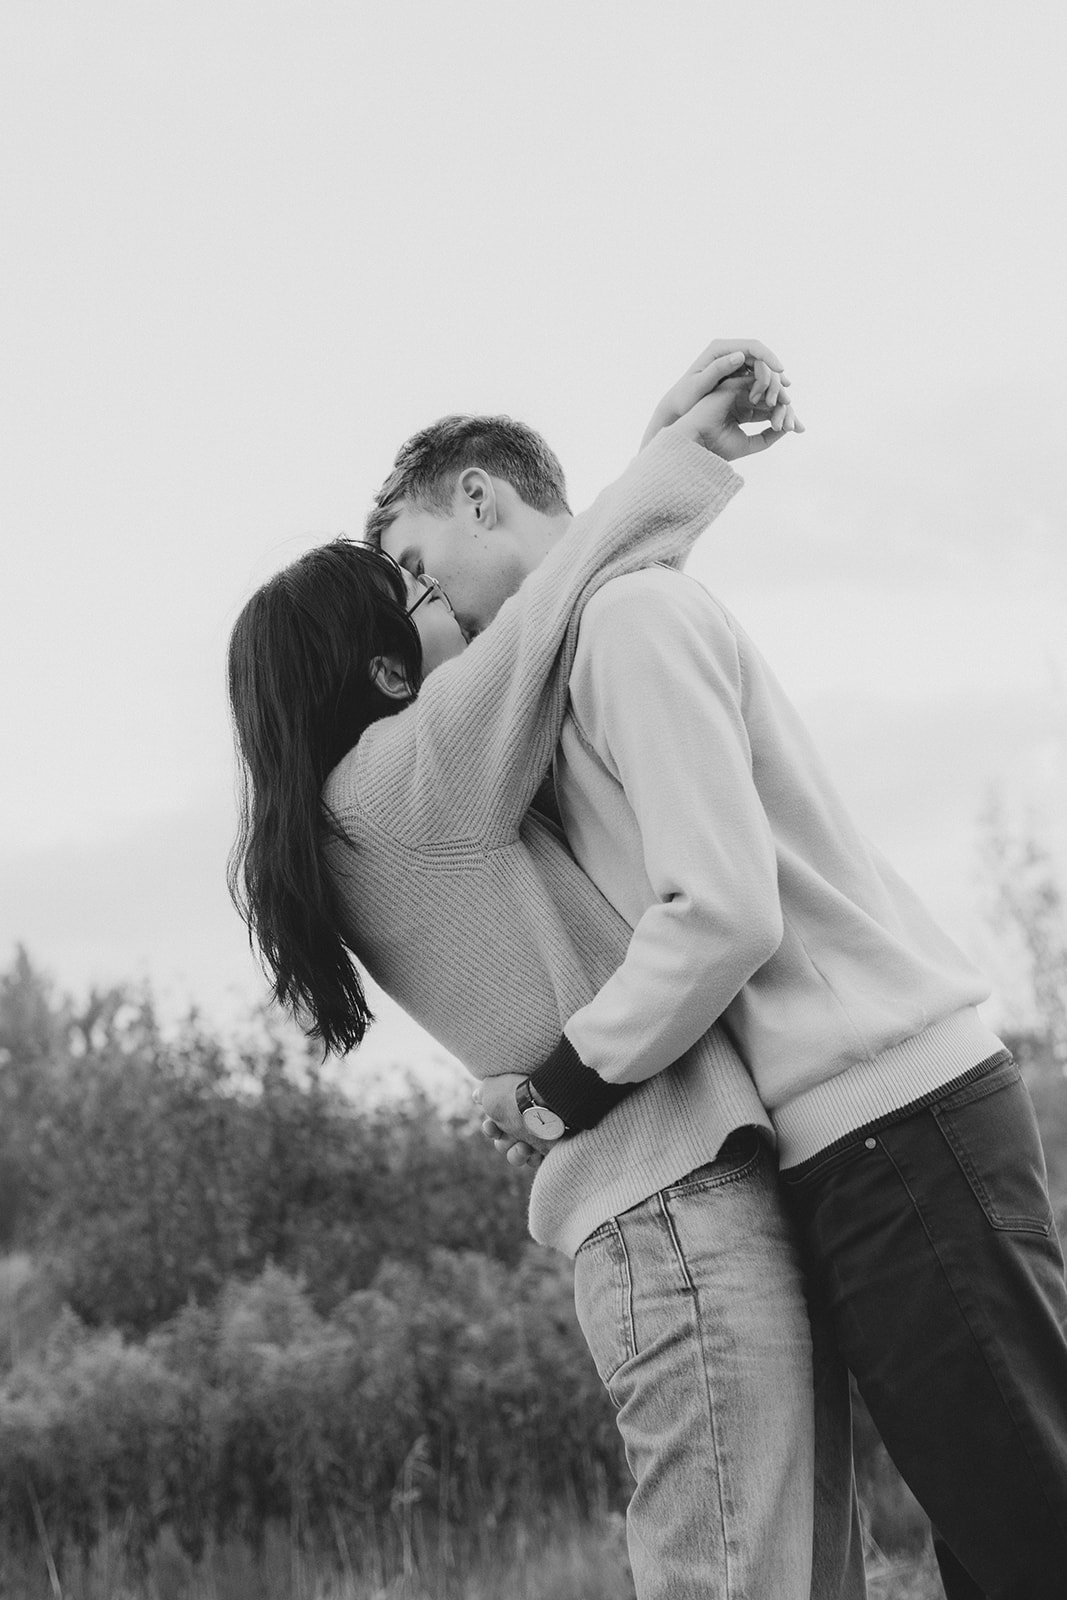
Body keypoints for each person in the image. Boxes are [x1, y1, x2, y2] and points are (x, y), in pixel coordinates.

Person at [375, 364, 1067, 1600]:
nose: (427, 615)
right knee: (993, 1532)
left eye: (418, 568)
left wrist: (558, 1092)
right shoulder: (586, 646)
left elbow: (722, 912)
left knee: (1029, 1532)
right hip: (856, 1134)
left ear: (479, 499)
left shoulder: (628, 625)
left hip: (890, 1116)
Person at [228, 340, 865, 1600]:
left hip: (676, 1206)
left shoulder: (373, 814)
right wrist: (678, 448)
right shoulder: (397, 783)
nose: (456, 612)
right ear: (383, 669)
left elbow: (549, 606)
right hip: (669, 1217)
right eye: (421, 596)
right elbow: (550, 606)